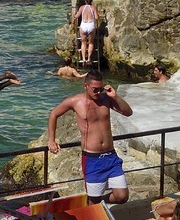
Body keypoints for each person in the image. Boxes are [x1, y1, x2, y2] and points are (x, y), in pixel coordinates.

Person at [47, 69, 134, 203]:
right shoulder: (75, 101)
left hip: (111, 156)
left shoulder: (106, 99)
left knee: (122, 196)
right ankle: (94, 216)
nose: (98, 92)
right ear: (85, 85)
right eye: (95, 89)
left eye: (100, 89)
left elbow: (128, 112)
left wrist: (115, 97)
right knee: (93, 200)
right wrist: (51, 140)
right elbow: (54, 114)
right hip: (92, 159)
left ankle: (101, 204)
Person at [74, 0, 99, 65]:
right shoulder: (93, 8)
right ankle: (89, 59)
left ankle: (83, 59)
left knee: (83, 43)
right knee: (91, 43)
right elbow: (96, 18)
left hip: (83, 26)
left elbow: (76, 16)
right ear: (91, 1)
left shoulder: (82, 7)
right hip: (91, 25)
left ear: (85, 1)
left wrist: (74, 15)